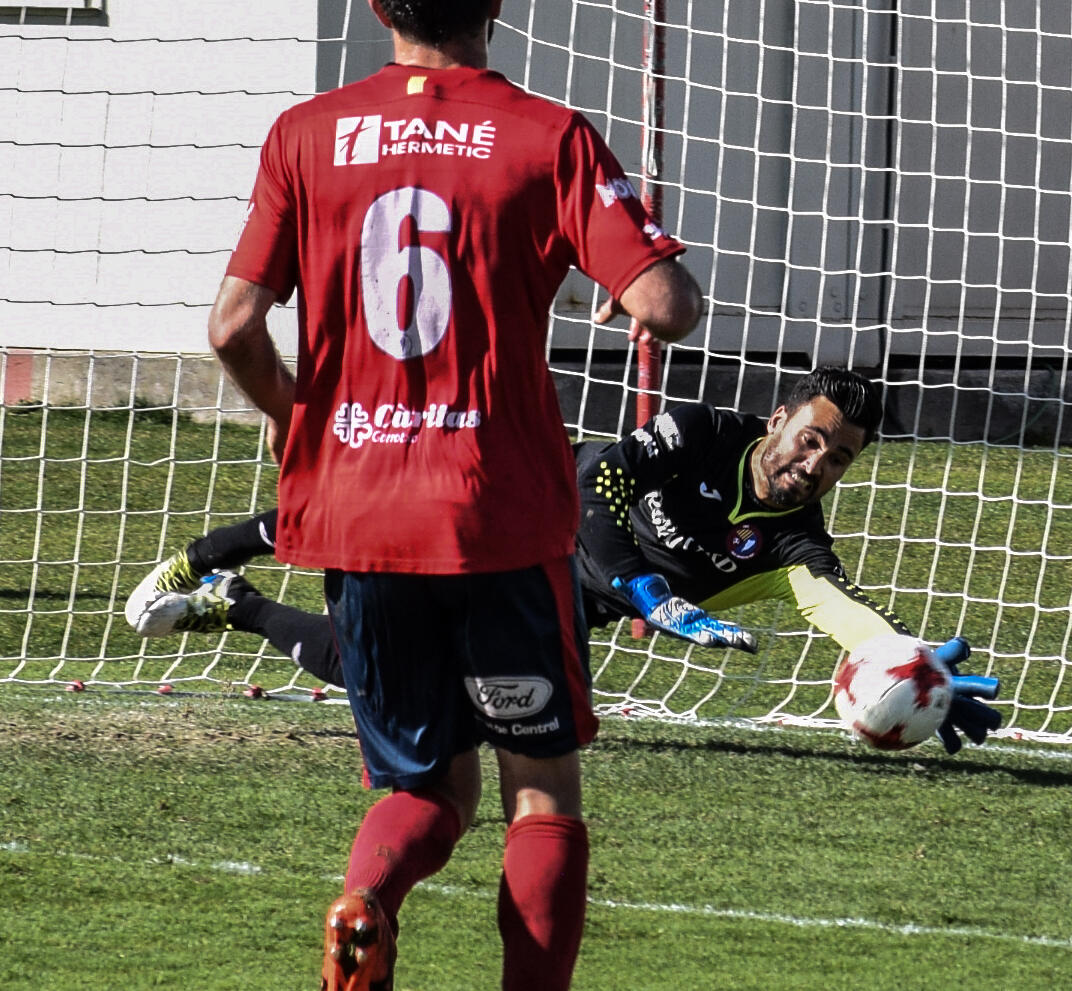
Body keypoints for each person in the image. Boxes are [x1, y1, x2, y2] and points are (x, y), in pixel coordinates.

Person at [204, 0, 705, 987]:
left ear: (378, 6)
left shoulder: (305, 134)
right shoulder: (546, 135)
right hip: (495, 516)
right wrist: (626, 282)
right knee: (540, 790)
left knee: (428, 784)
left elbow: (231, 327)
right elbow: (667, 304)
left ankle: (366, 899)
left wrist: (299, 419)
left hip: (358, 511)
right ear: (496, 3)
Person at [127, 368, 1002, 754]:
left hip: (554, 609)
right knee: (362, 520)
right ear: (779, 419)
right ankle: (204, 554)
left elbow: (836, 606)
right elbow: (598, 488)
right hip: (513, 506)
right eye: (810, 439)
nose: (814, 465)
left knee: (391, 684)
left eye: (837, 459)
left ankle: (234, 604)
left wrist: (907, 663)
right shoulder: (699, 431)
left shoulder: (793, 543)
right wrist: (647, 591)